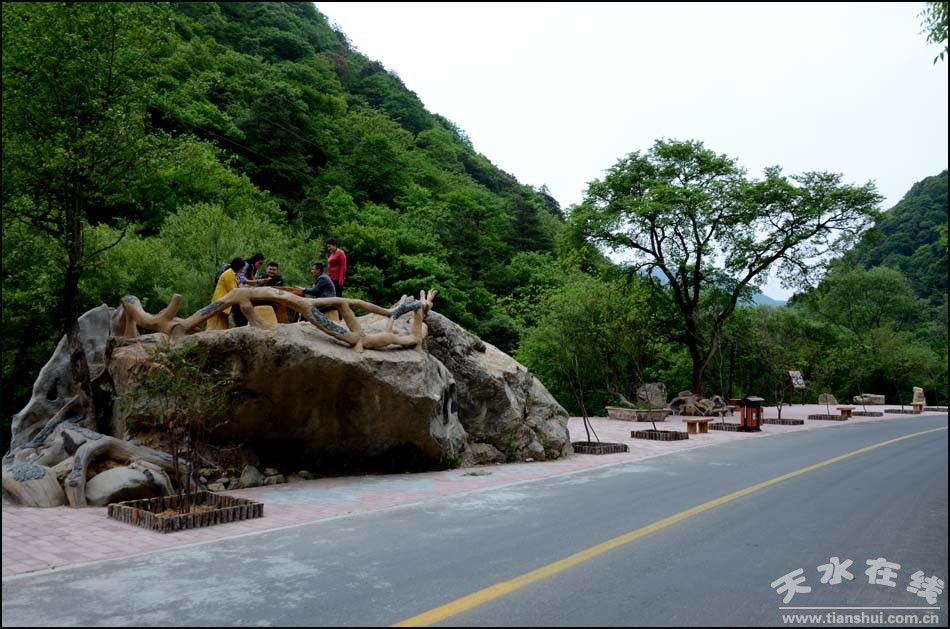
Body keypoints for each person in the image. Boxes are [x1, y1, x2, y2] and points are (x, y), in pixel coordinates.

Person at [206, 257, 244, 330]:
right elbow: (233, 290)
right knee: (239, 310)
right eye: (242, 267)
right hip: (221, 300)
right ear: (238, 266)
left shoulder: (232, 274)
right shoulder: (229, 274)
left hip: (225, 300)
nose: (243, 269)